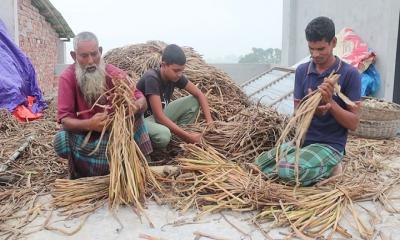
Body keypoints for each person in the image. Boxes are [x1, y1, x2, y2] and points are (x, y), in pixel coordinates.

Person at [255, 16, 361, 186]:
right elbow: (297, 113)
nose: (315, 54)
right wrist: (311, 109)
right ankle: (302, 165)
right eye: (311, 49)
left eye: (321, 48)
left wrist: (331, 104)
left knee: (287, 170)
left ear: (333, 42)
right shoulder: (302, 71)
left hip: (330, 145)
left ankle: (331, 166)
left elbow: (354, 123)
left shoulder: (350, 74)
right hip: (303, 142)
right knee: (258, 165)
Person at [53, 32, 152, 179]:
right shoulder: (67, 78)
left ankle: (126, 162)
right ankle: (112, 165)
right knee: (61, 141)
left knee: (137, 119)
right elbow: (65, 120)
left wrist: (136, 106)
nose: (91, 61)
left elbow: (140, 98)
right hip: (88, 139)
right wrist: (90, 124)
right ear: (74, 56)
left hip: (114, 136)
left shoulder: (113, 73)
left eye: (94, 54)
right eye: (84, 56)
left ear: (100, 51)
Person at [137, 44, 213, 148]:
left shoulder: (175, 76)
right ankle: (151, 146)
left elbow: (199, 94)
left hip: (158, 117)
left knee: (193, 101)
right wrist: (189, 138)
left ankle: (179, 136)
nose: (179, 74)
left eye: (182, 70)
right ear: (163, 65)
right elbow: (159, 117)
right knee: (164, 136)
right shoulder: (152, 78)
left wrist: (210, 123)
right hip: (141, 121)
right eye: (176, 70)